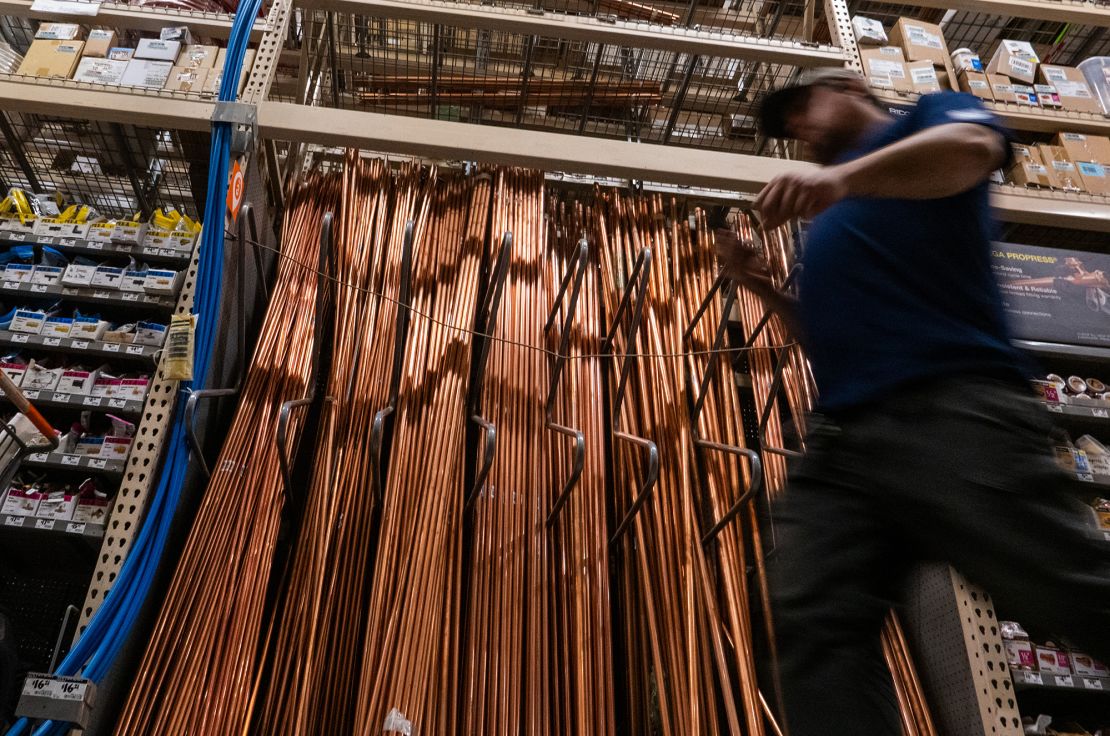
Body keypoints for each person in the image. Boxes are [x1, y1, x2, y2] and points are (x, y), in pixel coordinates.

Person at [714, 68, 1110, 735]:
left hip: (950, 409)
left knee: (1068, 588)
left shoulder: (929, 120)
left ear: (850, 87)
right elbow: (826, 339)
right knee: (815, 622)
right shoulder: (833, 211)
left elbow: (973, 150)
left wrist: (842, 180)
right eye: (788, 128)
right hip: (844, 439)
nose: (797, 129)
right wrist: (761, 289)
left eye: (801, 107)